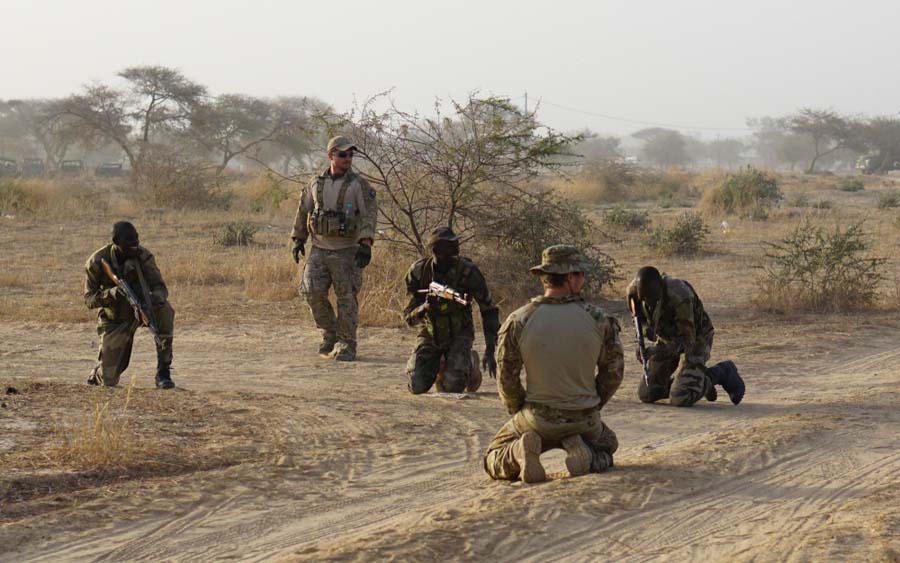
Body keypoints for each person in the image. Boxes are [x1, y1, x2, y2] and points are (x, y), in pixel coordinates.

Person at [484, 245, 623, 483]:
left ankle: (519, 453)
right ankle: (585, 455)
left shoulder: (519, 319)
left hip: (538, 418)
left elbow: (507, 376)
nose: (583, 279)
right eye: (580, 274)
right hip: (585, 417)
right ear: (570, 277)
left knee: (492, 457)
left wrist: (519, 407)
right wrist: (592, 403)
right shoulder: (600, 319)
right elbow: (613, 373)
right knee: (608, 445)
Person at [291, 136, 377, 361]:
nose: (347, 158)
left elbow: (369, 214)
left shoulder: (359, 185)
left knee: (346, 297)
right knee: (311, 292)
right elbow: (303, 210)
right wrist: (298, 239)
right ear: (331, 156)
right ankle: (330, 334)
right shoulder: (316, 183)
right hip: (319, 249)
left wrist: (366, 243)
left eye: (350, 155)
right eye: (342, 154)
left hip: (347, 251)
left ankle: (347, 343)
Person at [626, 266, 745, 407]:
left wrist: (655, 351)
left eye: (652, 297)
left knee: (680, 397)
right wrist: (642, 342)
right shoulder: (633, 293)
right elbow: (640, 322)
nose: (649, 302)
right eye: (645, 298)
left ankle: (718, 373)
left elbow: (687, 342)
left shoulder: (680, 295)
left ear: (660, 287)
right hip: (667, 339)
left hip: (696, 339)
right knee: (647, 393)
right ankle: (689, 382)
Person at [403, 227, 499, 394]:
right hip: (430, 331)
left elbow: (489, 309)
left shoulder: (468, 272)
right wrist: (425, 307)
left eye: (454, 246)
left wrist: (490, 349)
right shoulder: (419, 272)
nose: (452, 252)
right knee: (416, 386)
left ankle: (469, 363)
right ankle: (441, 364)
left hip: (459, 331)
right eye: (446, 247)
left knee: (452, 387)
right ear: (435, 250)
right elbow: (408, 318)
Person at [84, 221, 175, 389]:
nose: (135, 246)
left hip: (144, 307)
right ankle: (97, 372)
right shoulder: (96, 262)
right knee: (109, 380)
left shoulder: (143, 256)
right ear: (116, 242)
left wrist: (151, 302)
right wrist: (112, 294)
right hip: (116, 318)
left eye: (137, 241)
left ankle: (163, 371)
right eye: (129, 243)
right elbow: (89, 299)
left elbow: (160, 287)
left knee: (165, 310)